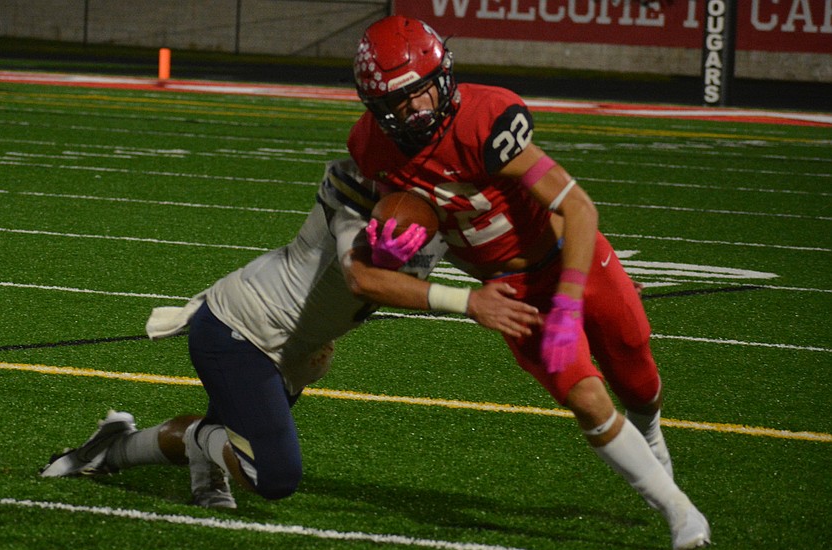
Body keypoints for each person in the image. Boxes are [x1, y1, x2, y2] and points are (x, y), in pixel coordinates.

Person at [345, 15, 710, 550]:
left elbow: (579, 208)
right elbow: (401, 232)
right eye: (394, 104)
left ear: (443, 79)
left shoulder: (487, 118)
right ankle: (678, 509)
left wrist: (566, 304)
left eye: (419, 94)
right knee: (587, 400)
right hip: (508, 286)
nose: (410, 113)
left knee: (638, 374)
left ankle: (650, 432)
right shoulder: (370, 146)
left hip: (570, 256)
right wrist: (395, 247)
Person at [40, 158, 541, 509]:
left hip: (295, 349)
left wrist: (564, 283)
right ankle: (195, 454)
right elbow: (364, 277)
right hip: (242, 329)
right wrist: (468, 303)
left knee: (239, 447)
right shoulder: (360, 198)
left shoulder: (447, 213)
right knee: (273, 476)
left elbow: (504, 263)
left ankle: (110, 449)